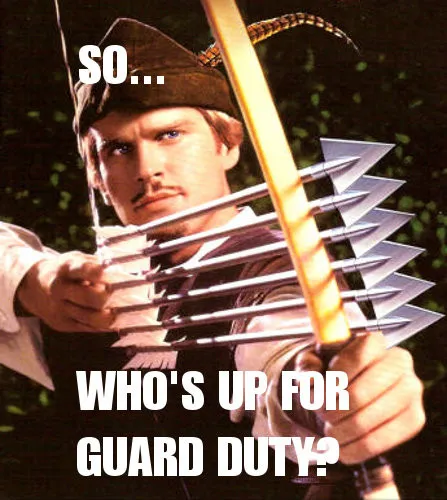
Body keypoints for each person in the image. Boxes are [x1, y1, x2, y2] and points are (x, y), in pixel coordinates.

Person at [0, 18, 424, 500]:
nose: (147, 169)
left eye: (169, 134)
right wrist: (30, 278)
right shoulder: (84, 295)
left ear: (227, 144)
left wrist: (341, 394)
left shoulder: (277, 274)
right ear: (97, 176)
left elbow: (286, 356)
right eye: (117, 149)